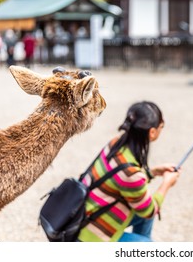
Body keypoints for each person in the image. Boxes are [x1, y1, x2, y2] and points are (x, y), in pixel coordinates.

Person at [77, 101, 181, 242]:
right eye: (161, 126)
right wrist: (167, 184)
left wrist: (153, 172)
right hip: (91, 238)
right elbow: (149, 210)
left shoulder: (116, 144)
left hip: (86, 215)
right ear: (152, 132)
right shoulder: (131, 173)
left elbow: (122, 179)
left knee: (144, 210)